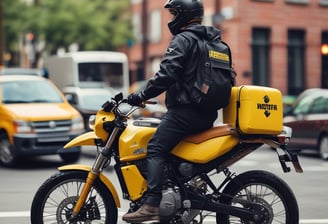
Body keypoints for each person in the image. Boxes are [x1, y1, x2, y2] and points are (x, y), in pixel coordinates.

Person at [123, 0, 229, 222]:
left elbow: (166, 75)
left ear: (184, 15)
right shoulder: (215, 43)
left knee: (155, 149)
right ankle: (179, 195)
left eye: (174, 14)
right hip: (207, 114)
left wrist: (140, 95)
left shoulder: (183, 39)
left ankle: (152, 204)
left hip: (185, 113)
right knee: (171, 154)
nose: (171, 19)